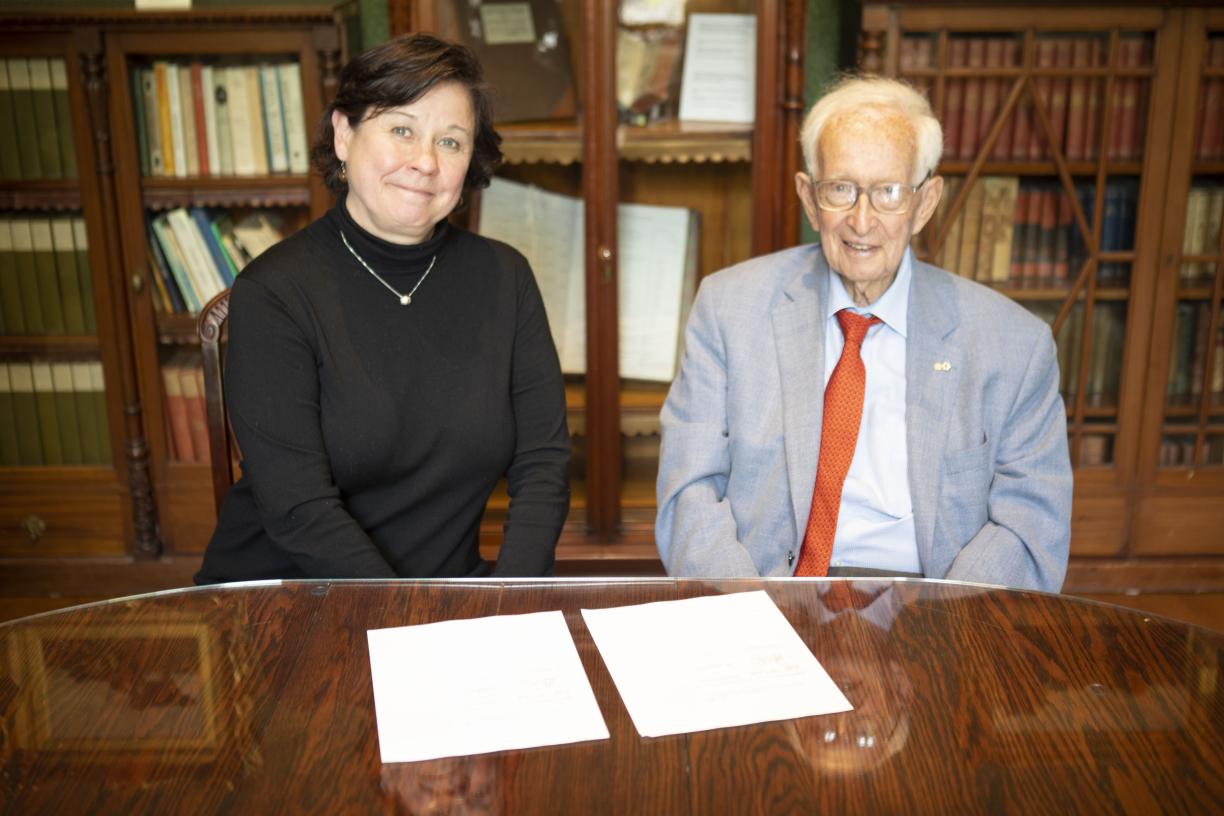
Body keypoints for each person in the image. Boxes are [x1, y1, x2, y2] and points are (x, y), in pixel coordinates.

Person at [655, 75, 1071, 591]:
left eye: (889, 193)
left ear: (925, 203)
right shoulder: (728, 308)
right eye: (841, 189)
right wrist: (749, 618)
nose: (861, 220)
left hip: (933, 608)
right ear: (810, 198)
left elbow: (1030, 523)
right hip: (769, 596)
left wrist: (945, 631)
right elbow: (688, 492)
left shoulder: (1014, 345)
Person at [196, 34, 570, 583]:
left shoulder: (504, 277)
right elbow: (300, 510)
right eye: (401, 130)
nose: (425, 162)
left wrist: (508, 601)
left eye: (451, 142)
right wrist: (407, 620)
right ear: (344, 135)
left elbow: (544, 466)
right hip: (293, 596)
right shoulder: (276, 291)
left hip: (447, 596)